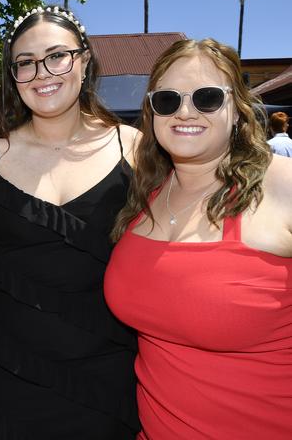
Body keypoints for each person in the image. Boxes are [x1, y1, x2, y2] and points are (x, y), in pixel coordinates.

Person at [0, 5, 141, 438]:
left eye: (57, 56)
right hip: (15, 374)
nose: (42, 72)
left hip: (109, 371)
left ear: (84, 61)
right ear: (13, 76)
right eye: (25, 62)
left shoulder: (133, 147)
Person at [105, 38, 292, 439]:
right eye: (168, 100)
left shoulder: (284, 188)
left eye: (207, 97)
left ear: (238, 111)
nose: (185, 111)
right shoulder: (145, 195)